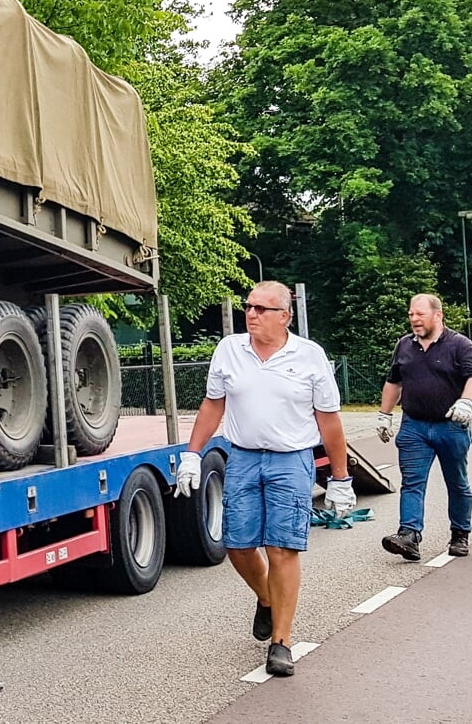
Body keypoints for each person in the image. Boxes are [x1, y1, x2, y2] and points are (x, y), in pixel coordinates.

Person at [176, 281, 353, 678]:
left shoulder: (310, 357)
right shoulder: (229, 350)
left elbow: (329, 420)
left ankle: (281, 643)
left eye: (261, 309)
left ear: (284, 316)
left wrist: (340, 478)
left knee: (281, 548)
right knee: (237, 546)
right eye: (249, 307)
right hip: (242, 458)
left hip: (291, 460)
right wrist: (192, 454)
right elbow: (213, 404)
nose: (251, 314)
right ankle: (267, 598)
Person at [375, 293, 472, 561]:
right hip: (414, 426)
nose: (414, 319)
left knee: (456, 482)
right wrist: (384, 415)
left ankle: (460, 533)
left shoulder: (460, 345)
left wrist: (466, 402)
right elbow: (393, 382)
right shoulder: (404, 346)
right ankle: (409, 535)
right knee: (412, 482)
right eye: (411, 314)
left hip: (450, 426)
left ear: (437, 315)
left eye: (419, 314)